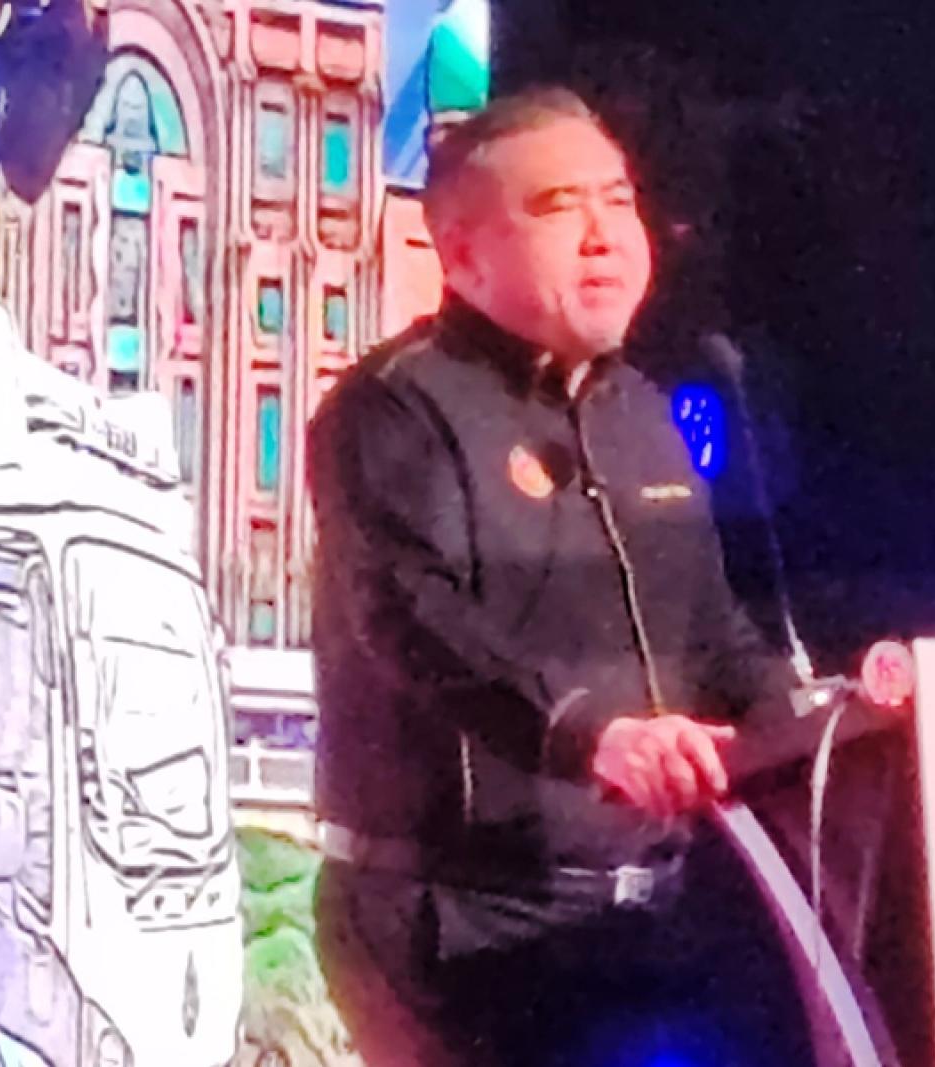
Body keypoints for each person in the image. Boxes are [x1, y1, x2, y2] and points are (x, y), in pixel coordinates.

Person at [307, 87, 842, 1066]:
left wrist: (824, 726)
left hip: (648, 922)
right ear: (462, 255)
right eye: (558, 206)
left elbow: (710, 632)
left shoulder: (643, 410)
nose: (605, 236)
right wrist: (593, 734)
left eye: (619, 201)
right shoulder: (393, 409)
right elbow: (413, 620)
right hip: (455, 929)